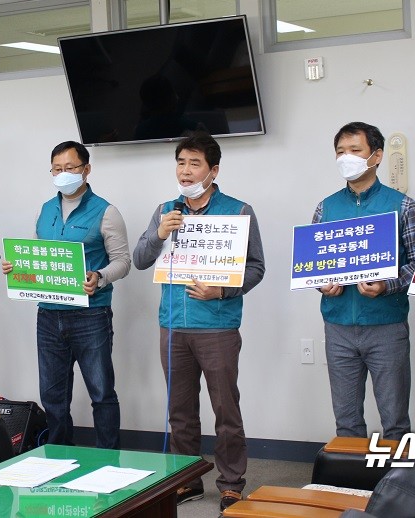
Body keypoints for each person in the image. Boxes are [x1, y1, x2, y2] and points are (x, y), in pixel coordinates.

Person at [132, 132, 265, 512]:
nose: (186, 171)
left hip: (217, 325)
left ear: (213, 170)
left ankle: (231, 483)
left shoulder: (238, 211)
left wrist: (221, 292)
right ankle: (185, 480)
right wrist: (159, 233)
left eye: (194, 164)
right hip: (172, 325)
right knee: (180, 411)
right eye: (181, 163)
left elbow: (256, 268)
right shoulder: (165, 210)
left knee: (226, 410)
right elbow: (141, 259)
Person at [1, 141, 131, 449]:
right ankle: (59, 456)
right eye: (57, 169)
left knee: (101, 393)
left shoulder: (106, 212)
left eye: (70, 168)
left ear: (86, 170)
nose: (63, 174)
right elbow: (37, 253)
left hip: (91, 314)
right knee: (53, 396)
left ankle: (107, 458)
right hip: (48, 314)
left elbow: (123, 261)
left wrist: (99, 277)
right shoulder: (45, 210)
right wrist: (16, 266)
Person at [313, 122, 415, 442]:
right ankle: (351, 487)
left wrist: (386, 284)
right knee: (346, 420)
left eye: (354, 150)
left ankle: (397, 489)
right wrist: (322, 284)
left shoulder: (402, 205)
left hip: (386, 326)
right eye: (340, 152)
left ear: (376, 156)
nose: (345, 158)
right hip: (337, 327)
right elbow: (314, 265)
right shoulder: (326, 207)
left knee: (395, 420)